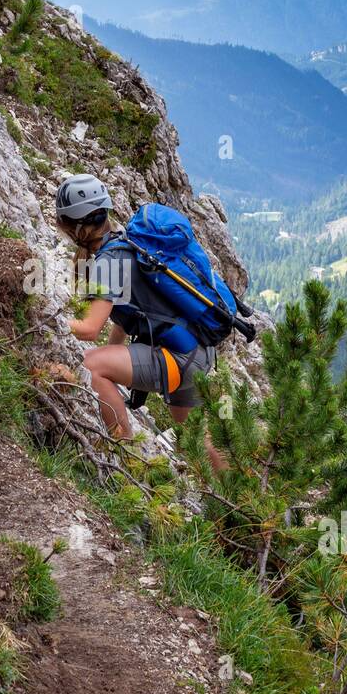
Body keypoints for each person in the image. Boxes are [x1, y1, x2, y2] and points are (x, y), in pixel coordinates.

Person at [55, 173, 229, 472]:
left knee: (91, 366)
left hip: (177, 357)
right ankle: (244, 502)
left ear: (79, 227)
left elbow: (89, 328)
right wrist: (117, 364)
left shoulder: (108, 261)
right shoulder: (126, 246)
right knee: (197, 440)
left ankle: (124, 460)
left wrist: (50, 319)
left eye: (65, 224)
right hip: (194, 352)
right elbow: (128, 318)